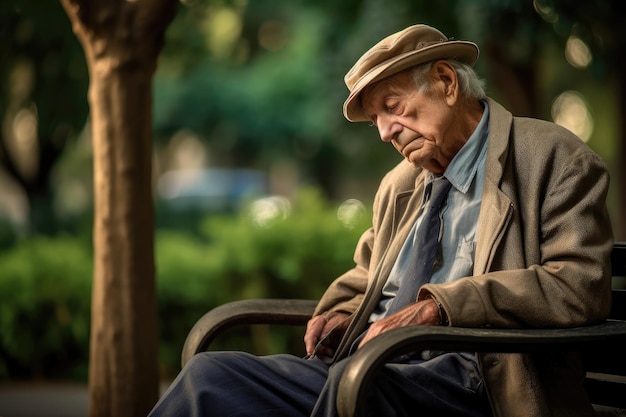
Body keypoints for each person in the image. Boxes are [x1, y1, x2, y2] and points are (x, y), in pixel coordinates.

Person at [148, 24, 613, 417]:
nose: (387, 132)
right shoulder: (401, 183)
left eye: (392, 107)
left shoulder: (553, 157)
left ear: (447, 83)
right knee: (211, 376)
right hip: (376, 367)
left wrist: (440, 306)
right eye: (376, 121)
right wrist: (341, 312)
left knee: (340, 388)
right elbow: (368, 275)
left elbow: (577, 285)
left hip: (479, 382)